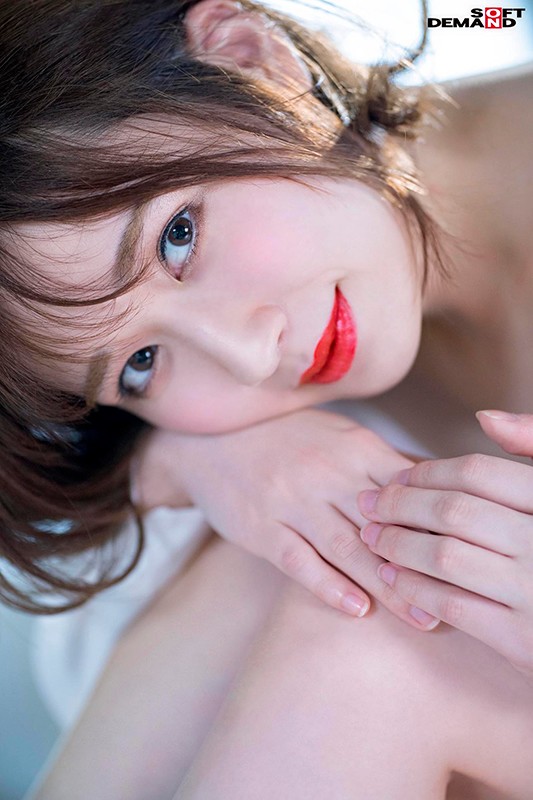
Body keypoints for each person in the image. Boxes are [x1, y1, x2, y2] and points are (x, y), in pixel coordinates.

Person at [0, 0, 530, 796]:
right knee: (304, 547)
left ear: (252, 56)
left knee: (365, 640)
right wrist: (196, 460)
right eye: (141, 364)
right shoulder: (272, 426)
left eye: (178, 236)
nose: (246, 355)